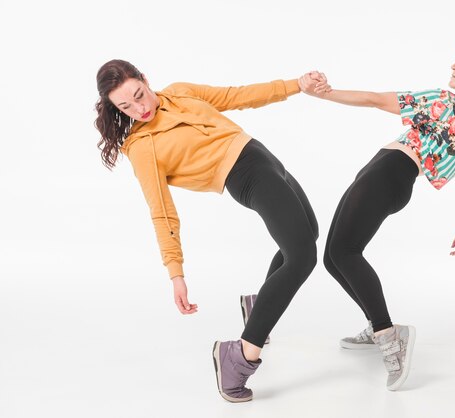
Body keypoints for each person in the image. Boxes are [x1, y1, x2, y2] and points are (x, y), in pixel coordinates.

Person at [94, 60, 319, 402]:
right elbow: (162, 213)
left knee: (307, 235)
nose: (139, 109)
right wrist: (176, 273)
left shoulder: (180, 92)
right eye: (125, 106)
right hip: (246, 178)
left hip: (263, 157)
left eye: (140, 95)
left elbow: (236, 96)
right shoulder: (143, 148)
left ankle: (258, 305)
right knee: (302, 257)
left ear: (145, 80)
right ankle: (239, 357)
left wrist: (295, 85)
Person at [299, 39, 455, 391]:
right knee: (334, 258)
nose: (454, 66)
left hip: (386, 172)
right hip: (396, 180)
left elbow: (374, 99)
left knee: (343, 254)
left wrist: (325, 93)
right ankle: (376, 324)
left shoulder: (446, 101)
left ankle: (389, 336)